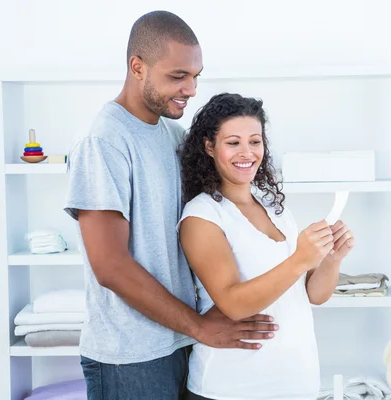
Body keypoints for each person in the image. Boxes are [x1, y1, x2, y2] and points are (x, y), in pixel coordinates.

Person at [63, 12, 277, 400]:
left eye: (196, 76)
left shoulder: (173, 134)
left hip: (180, 342)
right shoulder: (104, 142)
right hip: (131, 358)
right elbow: (110, 266)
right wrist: (199, 326)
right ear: (137, 67)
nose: (191, 89)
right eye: (178, 76)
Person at [178, 93, 356, 400]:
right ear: (210, 147)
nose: (247, 152)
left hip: (296, 383)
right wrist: (300, 259)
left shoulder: (273, 205)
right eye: (233, 142)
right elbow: (233, 304)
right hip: (230, 388)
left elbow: (314, 294)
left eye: (255, 141)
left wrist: (331, 260)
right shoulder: (202, 216)